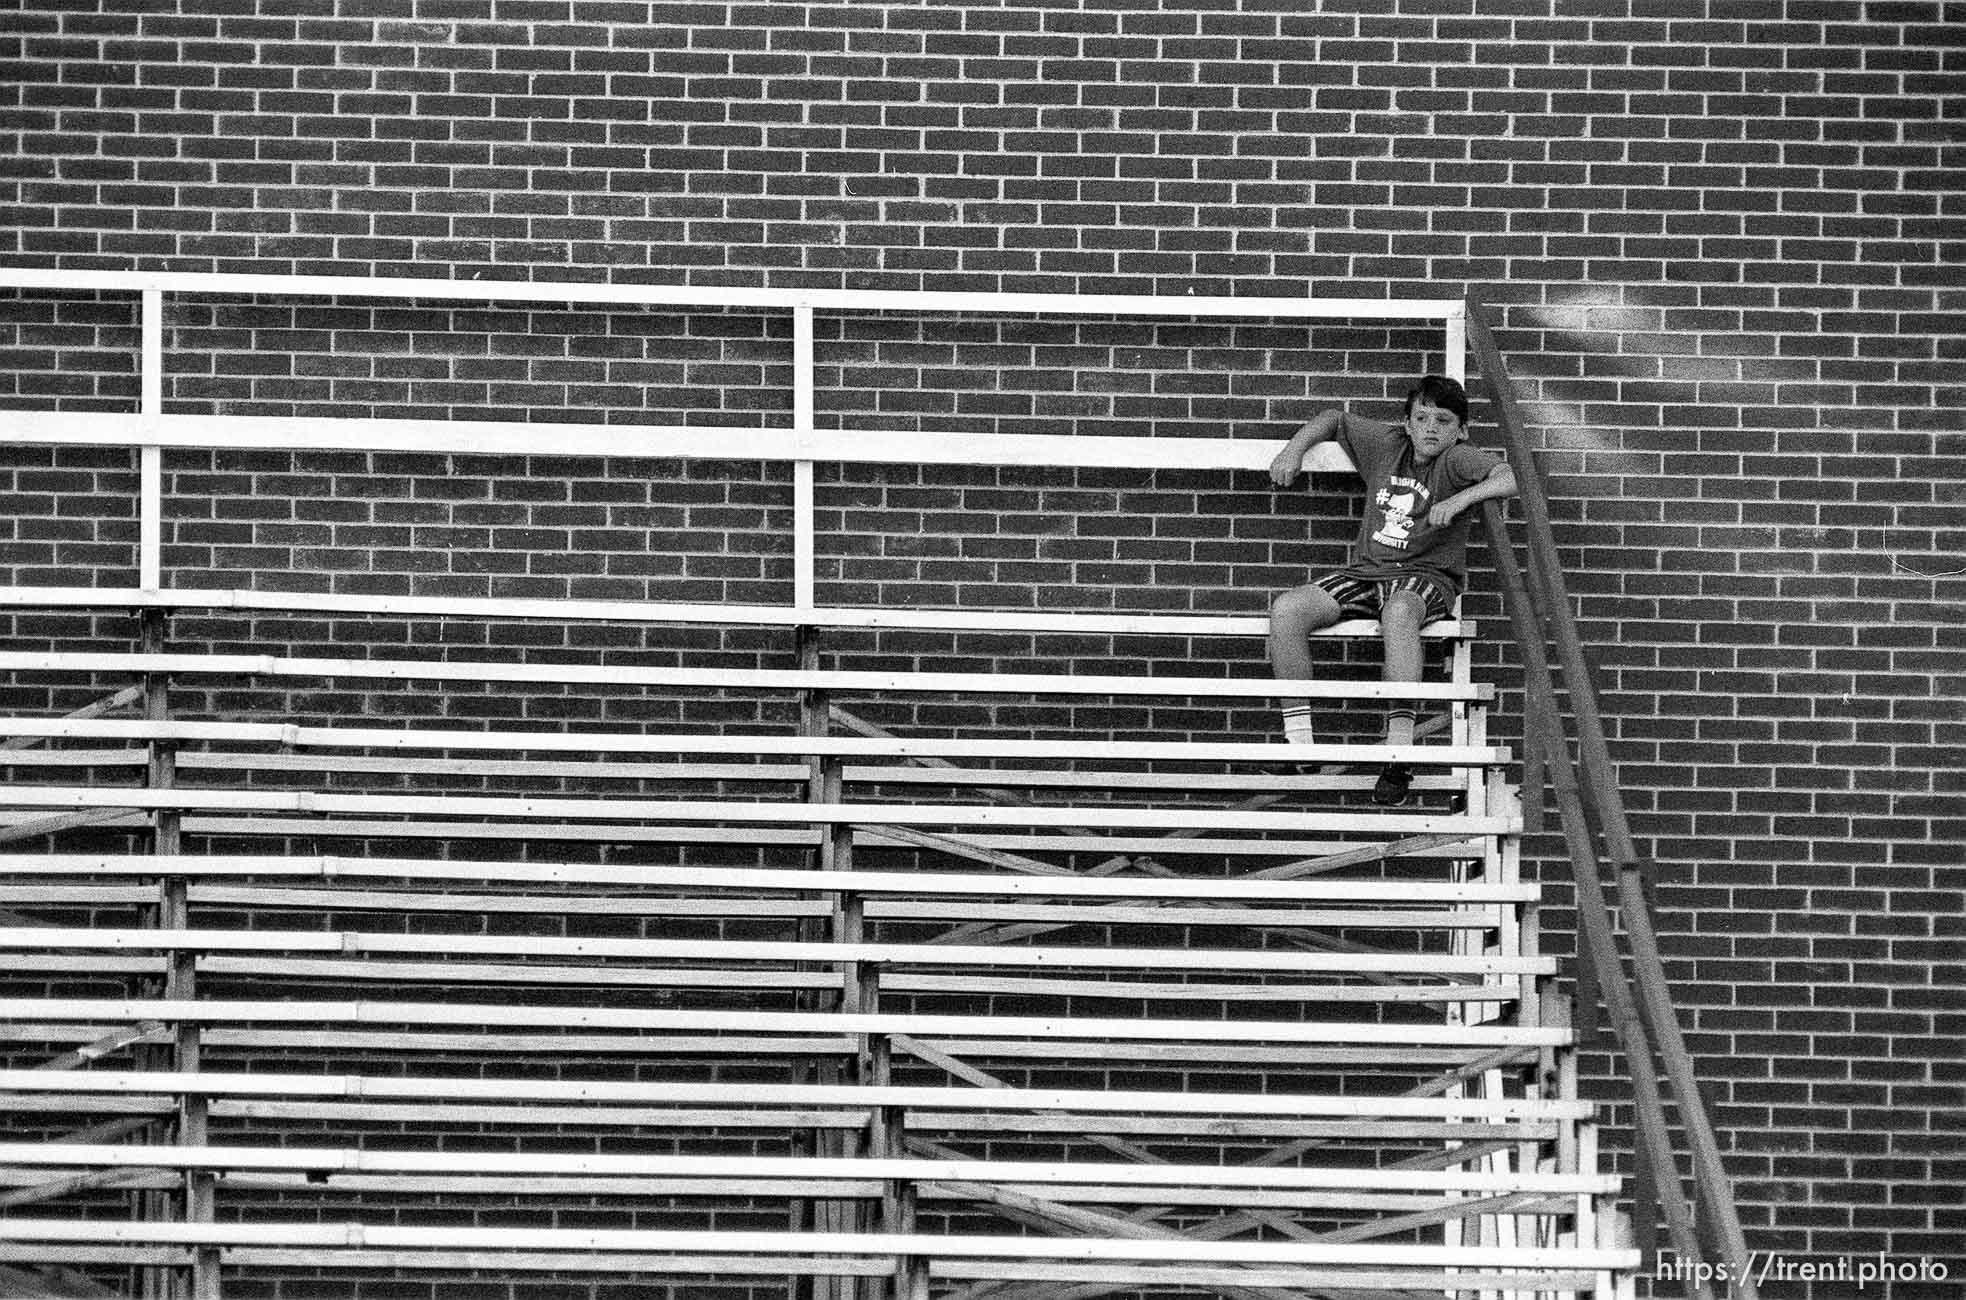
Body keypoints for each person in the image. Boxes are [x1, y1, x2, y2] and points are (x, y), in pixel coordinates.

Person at [1266, 375, 1517, 805]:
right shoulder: (1386, 444)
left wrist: (1460, 500)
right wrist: (1294, 448)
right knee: (1287, 609)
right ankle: (1301, 746)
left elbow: (1509, 478)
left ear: (1461, 429)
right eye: (1421, 418)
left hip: (1426, 577)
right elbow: (1333, 419)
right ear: (1406, 422)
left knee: (1398, 613)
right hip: (1367, 572)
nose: (1431, 428)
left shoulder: (1457, 460)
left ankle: (1398, 753)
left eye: (1443, 420)